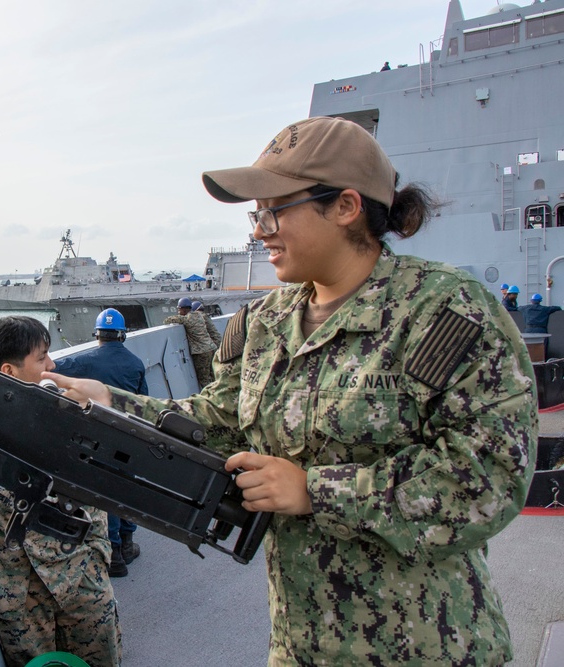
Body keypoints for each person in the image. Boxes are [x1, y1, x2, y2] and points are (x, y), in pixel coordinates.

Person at [45, 116, 537, 665]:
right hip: (299, 643)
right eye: (257, 215)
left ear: (346, 207)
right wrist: (113, 404)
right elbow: (221, 419)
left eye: (273, 210)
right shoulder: (265, 321)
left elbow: (489, 479)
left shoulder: (444, 313)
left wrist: (315, 492)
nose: (259, 230)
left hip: (425, 646)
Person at [0, 316, 121, 666]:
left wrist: (98, 555)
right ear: (9, 371)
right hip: (20, 596)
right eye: (41, 358)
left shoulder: (66, 414)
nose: (52, 365)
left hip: (82, 582)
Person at [54, 308, 147, 578]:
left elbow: (52, 369)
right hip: (127, 437)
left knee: (107, 491)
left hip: (97, 438)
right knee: (125, 486)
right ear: (121, 335)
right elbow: (143, 402)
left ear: (98, 335)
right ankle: (128, 543)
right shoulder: (136, 363)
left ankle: (115, 554)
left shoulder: (84, 361)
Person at [164, 296, 217, 387]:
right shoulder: (199, 315)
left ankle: (210, 399)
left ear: (184, 310)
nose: (178, 312)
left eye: (179, 309)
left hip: (201, 352)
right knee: (213, 376)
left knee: (204, 380)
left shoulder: (187, 319)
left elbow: (167, 320)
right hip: (211, 348)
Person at [520, 293, 562, 358]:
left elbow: (516, 308)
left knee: (528, 348)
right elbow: (557, 308)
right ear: (540, 301)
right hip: (541, 330)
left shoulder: (525, 308)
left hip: (528, 330)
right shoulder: (544, 309)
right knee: (542, 348)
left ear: (531, 301)